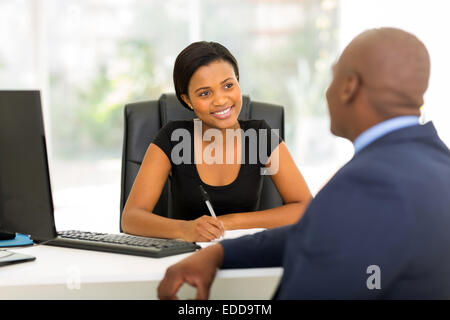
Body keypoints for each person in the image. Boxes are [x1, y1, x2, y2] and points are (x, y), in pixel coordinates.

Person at [157, 28, 450, 299]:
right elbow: (316, 231)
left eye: (333, 77)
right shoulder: (436, 161)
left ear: (348, 87)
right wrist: (221, 253)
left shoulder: (366, 182)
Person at [121, 41, 312, 242]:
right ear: (187, 100)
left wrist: (227, 222)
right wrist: (185, 229)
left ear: (238, 82)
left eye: (228, 85)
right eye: (205, 93)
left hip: (245, 253)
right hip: (185, 259)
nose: (220, 100)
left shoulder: (260, 136)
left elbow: (304, 207)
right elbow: (131, 218)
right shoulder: (173, 138)